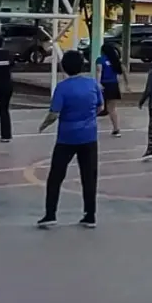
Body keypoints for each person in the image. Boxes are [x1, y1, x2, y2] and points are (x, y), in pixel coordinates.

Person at [38, 50, 104, 228]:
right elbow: (100, 107)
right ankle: (90, 215)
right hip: (89, 136)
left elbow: (54, 113)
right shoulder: (92, 84)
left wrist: (43, 125)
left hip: (67, 137)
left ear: (64, 67)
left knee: (56, 176)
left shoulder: (63, 87)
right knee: (89, 176)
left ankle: (50, 214)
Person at [96, 42, 127, 137]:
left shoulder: (100, 60)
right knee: (112, 109)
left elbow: (99, 72)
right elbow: (123, 71)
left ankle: (89, 128)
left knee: (96, 106)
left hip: (104, 84)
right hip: (113, 85)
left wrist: (97, 84)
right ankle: (116, 128)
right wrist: (126, 84)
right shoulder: (115, 60)